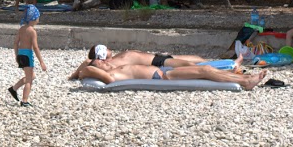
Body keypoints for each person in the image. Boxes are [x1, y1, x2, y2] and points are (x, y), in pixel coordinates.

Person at [69, 52, 267, 89]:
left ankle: (244, 78)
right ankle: (245, 82)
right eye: (99, 62)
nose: (103, 61)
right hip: (163, 77)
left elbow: (86, 63)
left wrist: (87, 64)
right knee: (204, 69)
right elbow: (85, 70)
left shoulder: (113, 66)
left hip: (162, 72)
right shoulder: (110, 75)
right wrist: (85, 70)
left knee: (203, 67)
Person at [8, 4, 47, 106]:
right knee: (29, 80)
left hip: (20, 54)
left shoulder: (21, 29)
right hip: (27, 55)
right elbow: (35, 47)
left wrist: (16, 55)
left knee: (31, 75)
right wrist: (41, 62)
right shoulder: (32, 31)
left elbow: (16, 43)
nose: (39, 19)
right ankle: (24, 101)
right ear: (34, 18)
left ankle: (14, 88)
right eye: (38, 17)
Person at [86, 43, 208, 69]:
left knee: (197, 59)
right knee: (189, 65)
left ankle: (211, 65)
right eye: (105, 49)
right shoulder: (112, 63)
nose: (108, 48)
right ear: (100, 56)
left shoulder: (115, 58)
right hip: (157, 63)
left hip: (157, 57)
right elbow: (87, 64)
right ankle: (212, 69)